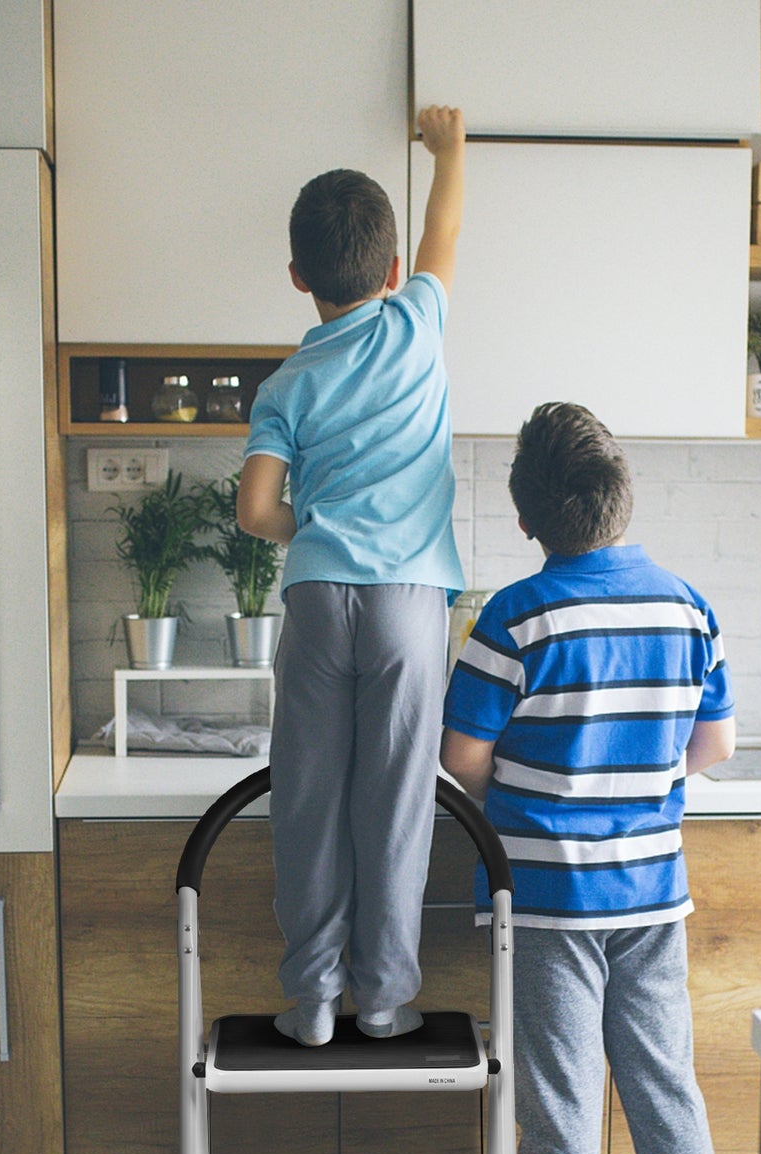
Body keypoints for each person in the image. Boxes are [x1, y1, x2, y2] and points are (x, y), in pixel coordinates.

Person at [440, 402, 737, 1154]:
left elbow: (462, 759)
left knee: (558, 1101)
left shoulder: (513, 616)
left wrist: (550, 788)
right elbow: (715, 747)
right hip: (652, 895)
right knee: (664, 1086)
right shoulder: (687, 605)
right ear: (622, 499)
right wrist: (633, 781)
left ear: (525, 518)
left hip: (549, 902)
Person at [236, 106, 466, 1047]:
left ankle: (314, 1001)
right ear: (389, 275)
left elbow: (254, 511)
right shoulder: (416, 321)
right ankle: (382, 998)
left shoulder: (286, 383)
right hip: (410, 605)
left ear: (297, 279)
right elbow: (442, 233)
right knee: (396, 803)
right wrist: (450, 150)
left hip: (317, 600)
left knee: (309, 801)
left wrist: (316, 530)